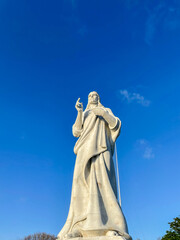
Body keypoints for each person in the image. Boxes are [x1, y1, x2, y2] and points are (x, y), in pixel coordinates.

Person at [57, 91, 131, 240]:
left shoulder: (105, 110)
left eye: (95, 95)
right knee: (81, 190)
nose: (92, 97)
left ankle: (111, 227)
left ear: (99, 98)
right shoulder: (85, 113)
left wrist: (103, 114)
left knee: (104, 187)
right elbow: (76, 131)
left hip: (102, 149)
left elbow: (116, 125)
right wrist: (79, 112)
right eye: (90, 96)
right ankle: (79, 226)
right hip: (84, 152)